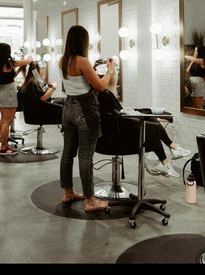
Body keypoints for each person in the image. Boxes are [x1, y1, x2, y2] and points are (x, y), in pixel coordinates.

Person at [94, 59, 191, 178]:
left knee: (151, 125)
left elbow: (117, 115)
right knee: (153, 127)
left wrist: (136, 113)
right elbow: (120, 117)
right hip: (115, 140)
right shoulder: (105, 94)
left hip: (106, 139)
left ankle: (167, 159)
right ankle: (171, 151)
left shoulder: (98, 95)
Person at [59, 25, 115, 213]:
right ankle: (90, 200)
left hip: (68, 109)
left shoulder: (62, 60)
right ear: (82, 41)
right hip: (84, 111)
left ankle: (68, 192)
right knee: (85, 156)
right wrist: (110, 71)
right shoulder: (82, 61)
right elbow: (100, 87)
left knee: (68, 154)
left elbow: (73, 86)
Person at [0, 43, 33, 156]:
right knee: (7, 121)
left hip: (2, 92)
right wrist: (29, 59)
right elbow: (28, 60)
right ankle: (4, 147)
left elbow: (8, 78)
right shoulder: (10, 63)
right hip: (9, 94)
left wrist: (17, 71)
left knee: (3, 120)